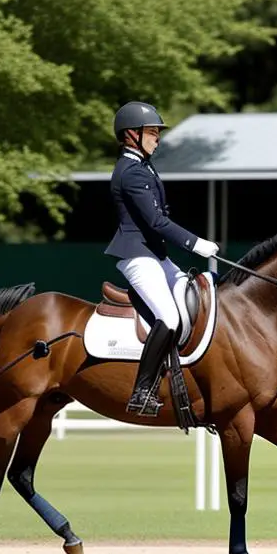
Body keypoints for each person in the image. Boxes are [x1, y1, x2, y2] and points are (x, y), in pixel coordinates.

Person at [104, 102, 218, 416]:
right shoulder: (130, 172)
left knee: (196, 294)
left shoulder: (143, 165)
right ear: (131, 135)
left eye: (156, 132)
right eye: (152, 132)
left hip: (155, 254)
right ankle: (142, 391)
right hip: (137, 255)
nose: (157, 138)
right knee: (168, 317)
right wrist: (195, 243)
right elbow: (155, 221)